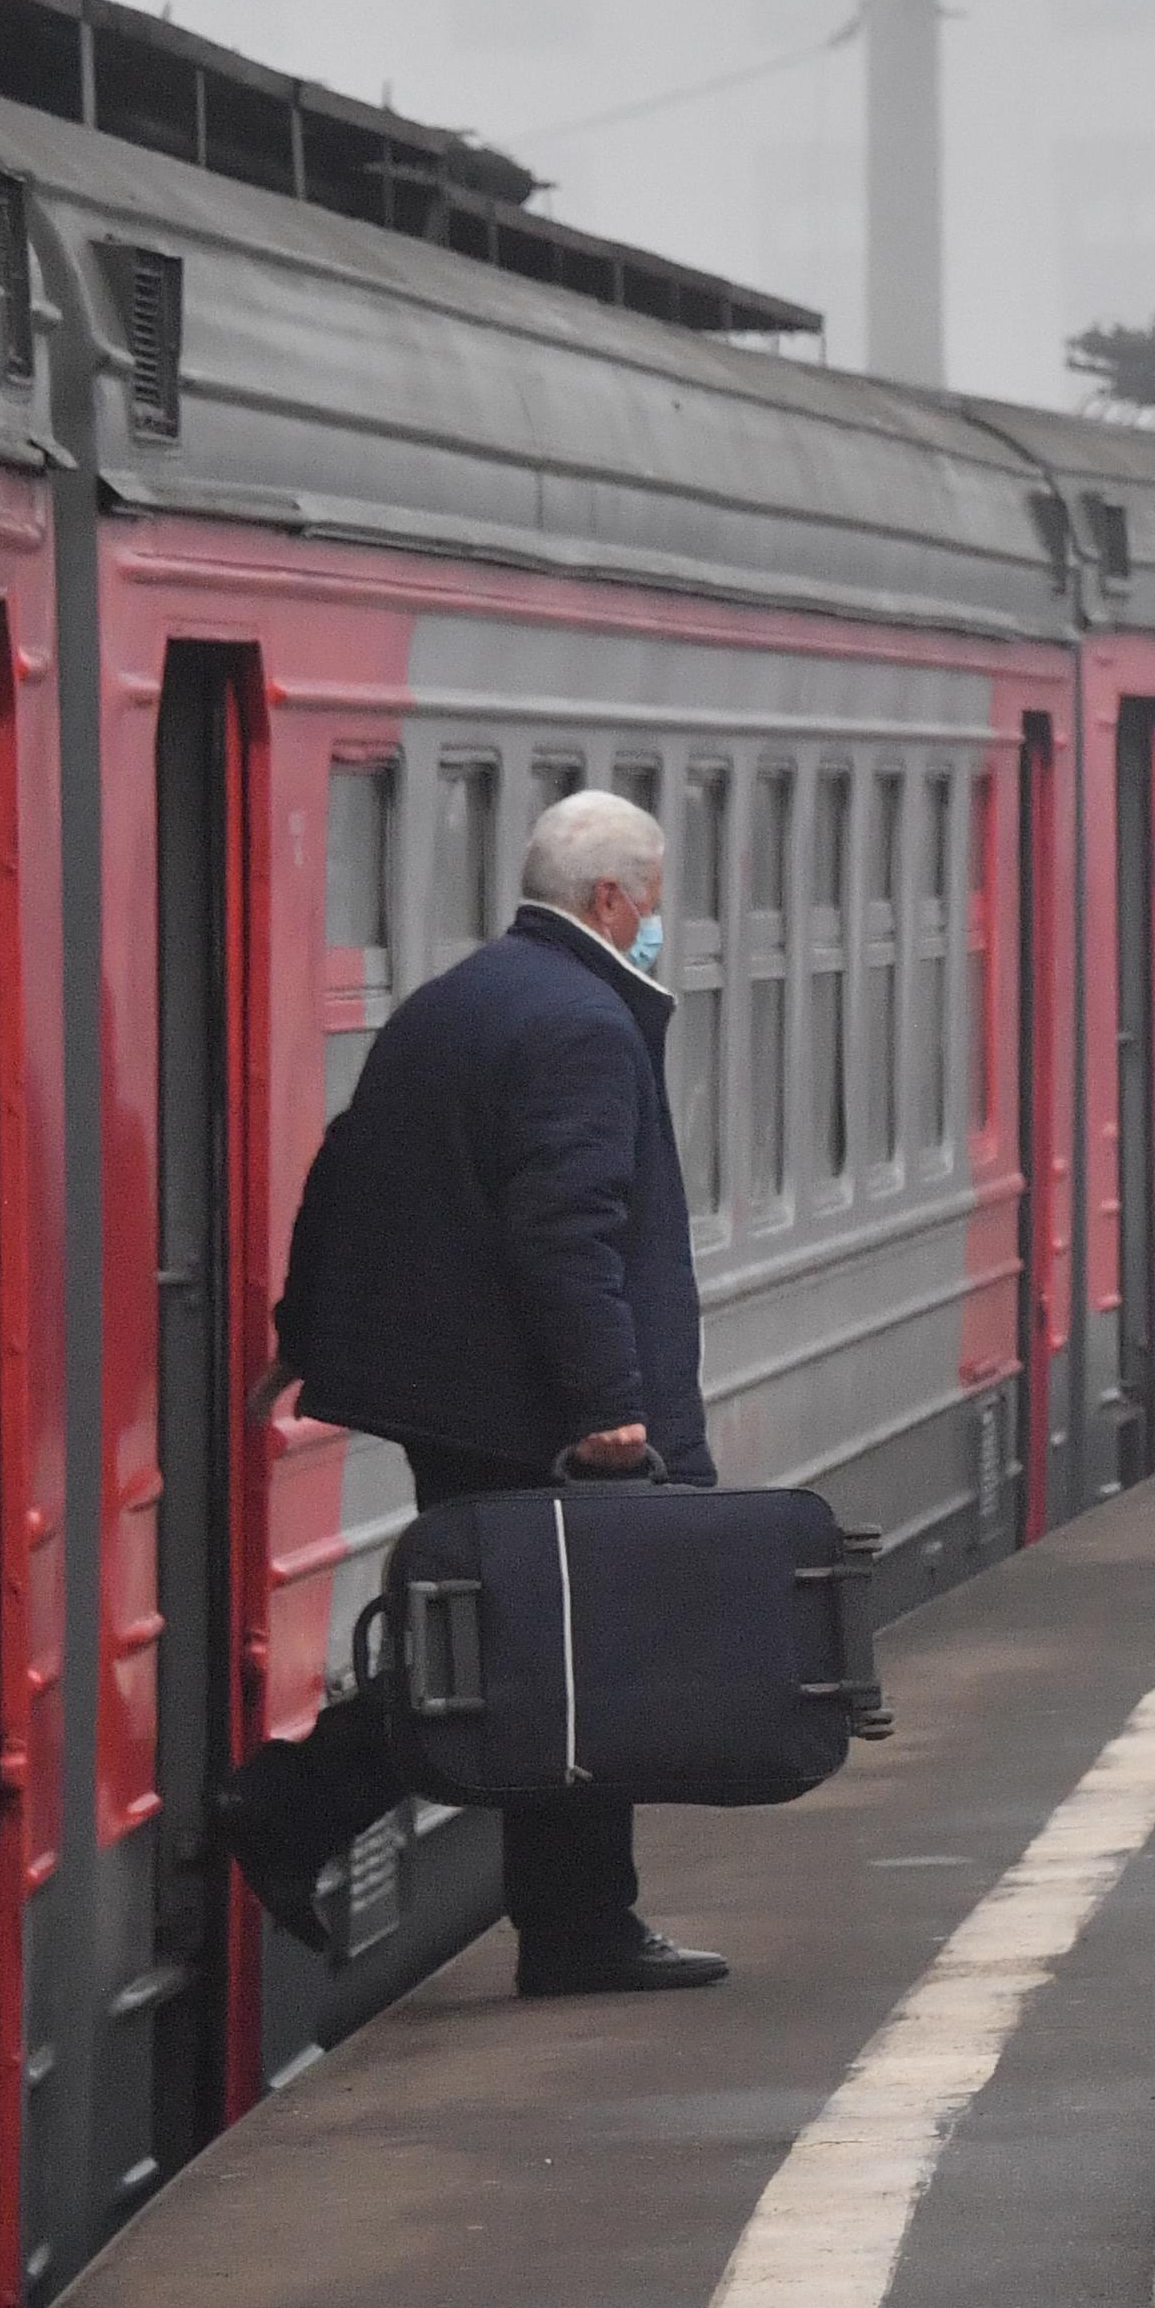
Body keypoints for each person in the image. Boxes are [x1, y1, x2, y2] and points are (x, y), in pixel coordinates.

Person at [216, 791, 732, 1998]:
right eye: (653, 900)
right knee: (563, 1651)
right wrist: (610, 1403)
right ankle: (325, 1816)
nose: (658, 920)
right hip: (542, 1412)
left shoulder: (454, 1003)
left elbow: (347, 1168)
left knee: (514, 1651)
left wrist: (306, 1328)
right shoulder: (585, 1026)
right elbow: (569, 1227)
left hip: (467, 1398)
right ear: (614, 900)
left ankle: (558, 1914)